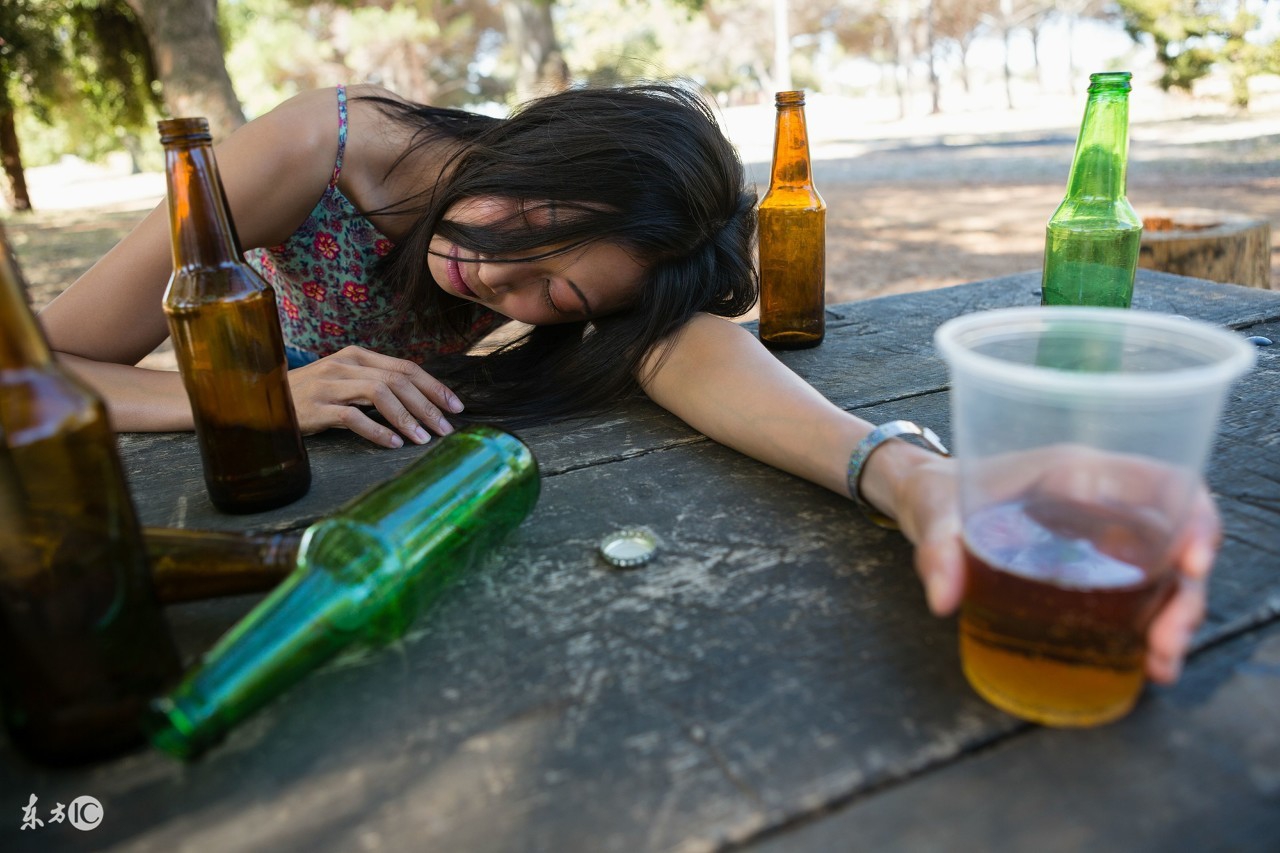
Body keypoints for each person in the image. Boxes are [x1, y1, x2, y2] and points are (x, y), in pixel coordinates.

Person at [38, 81, 1213, 685]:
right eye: (533, 222)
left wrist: (908, 478)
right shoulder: (322, 145)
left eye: (549, 298)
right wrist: (261, 396)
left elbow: (696, 354)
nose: (492, 269)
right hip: (232, 494)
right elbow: (34, 361)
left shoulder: (615, 275)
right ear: (555, 148)